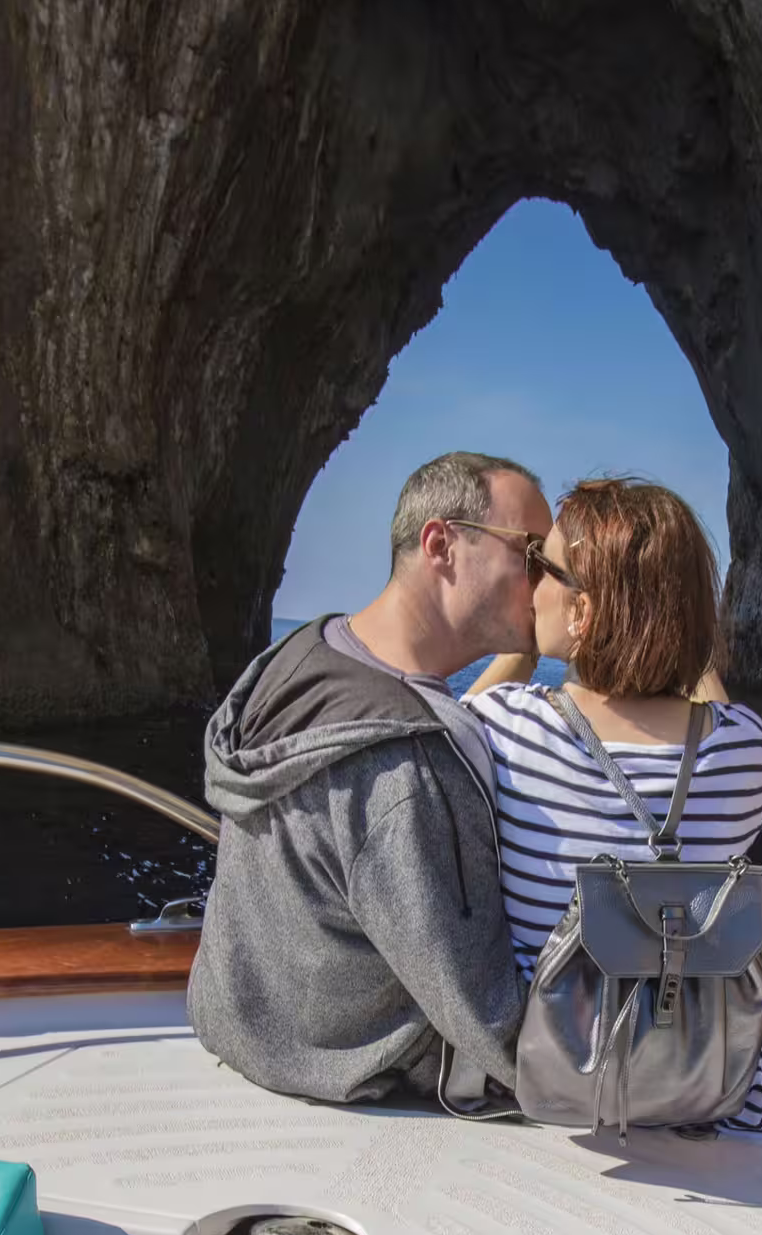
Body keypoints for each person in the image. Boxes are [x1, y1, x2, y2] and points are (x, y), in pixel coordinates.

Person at [188, 451, 552, 1103]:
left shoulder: (300, 657)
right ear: (442, 544)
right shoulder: (410, 772)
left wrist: (524, 647)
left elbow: (395, 750)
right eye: (532, 553)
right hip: (354, 1078)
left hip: (245, 1029)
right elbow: (492, 1025)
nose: (549, 580)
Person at [463, 476, 762, 1139]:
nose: (530, 586)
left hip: (560, 1083)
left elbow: (446, 730)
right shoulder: (745, 747)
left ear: (581, 612)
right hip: (715, 1091)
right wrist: (675, 635)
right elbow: (710, 709)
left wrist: (522, 643)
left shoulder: (506, 726)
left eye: (542, 568)